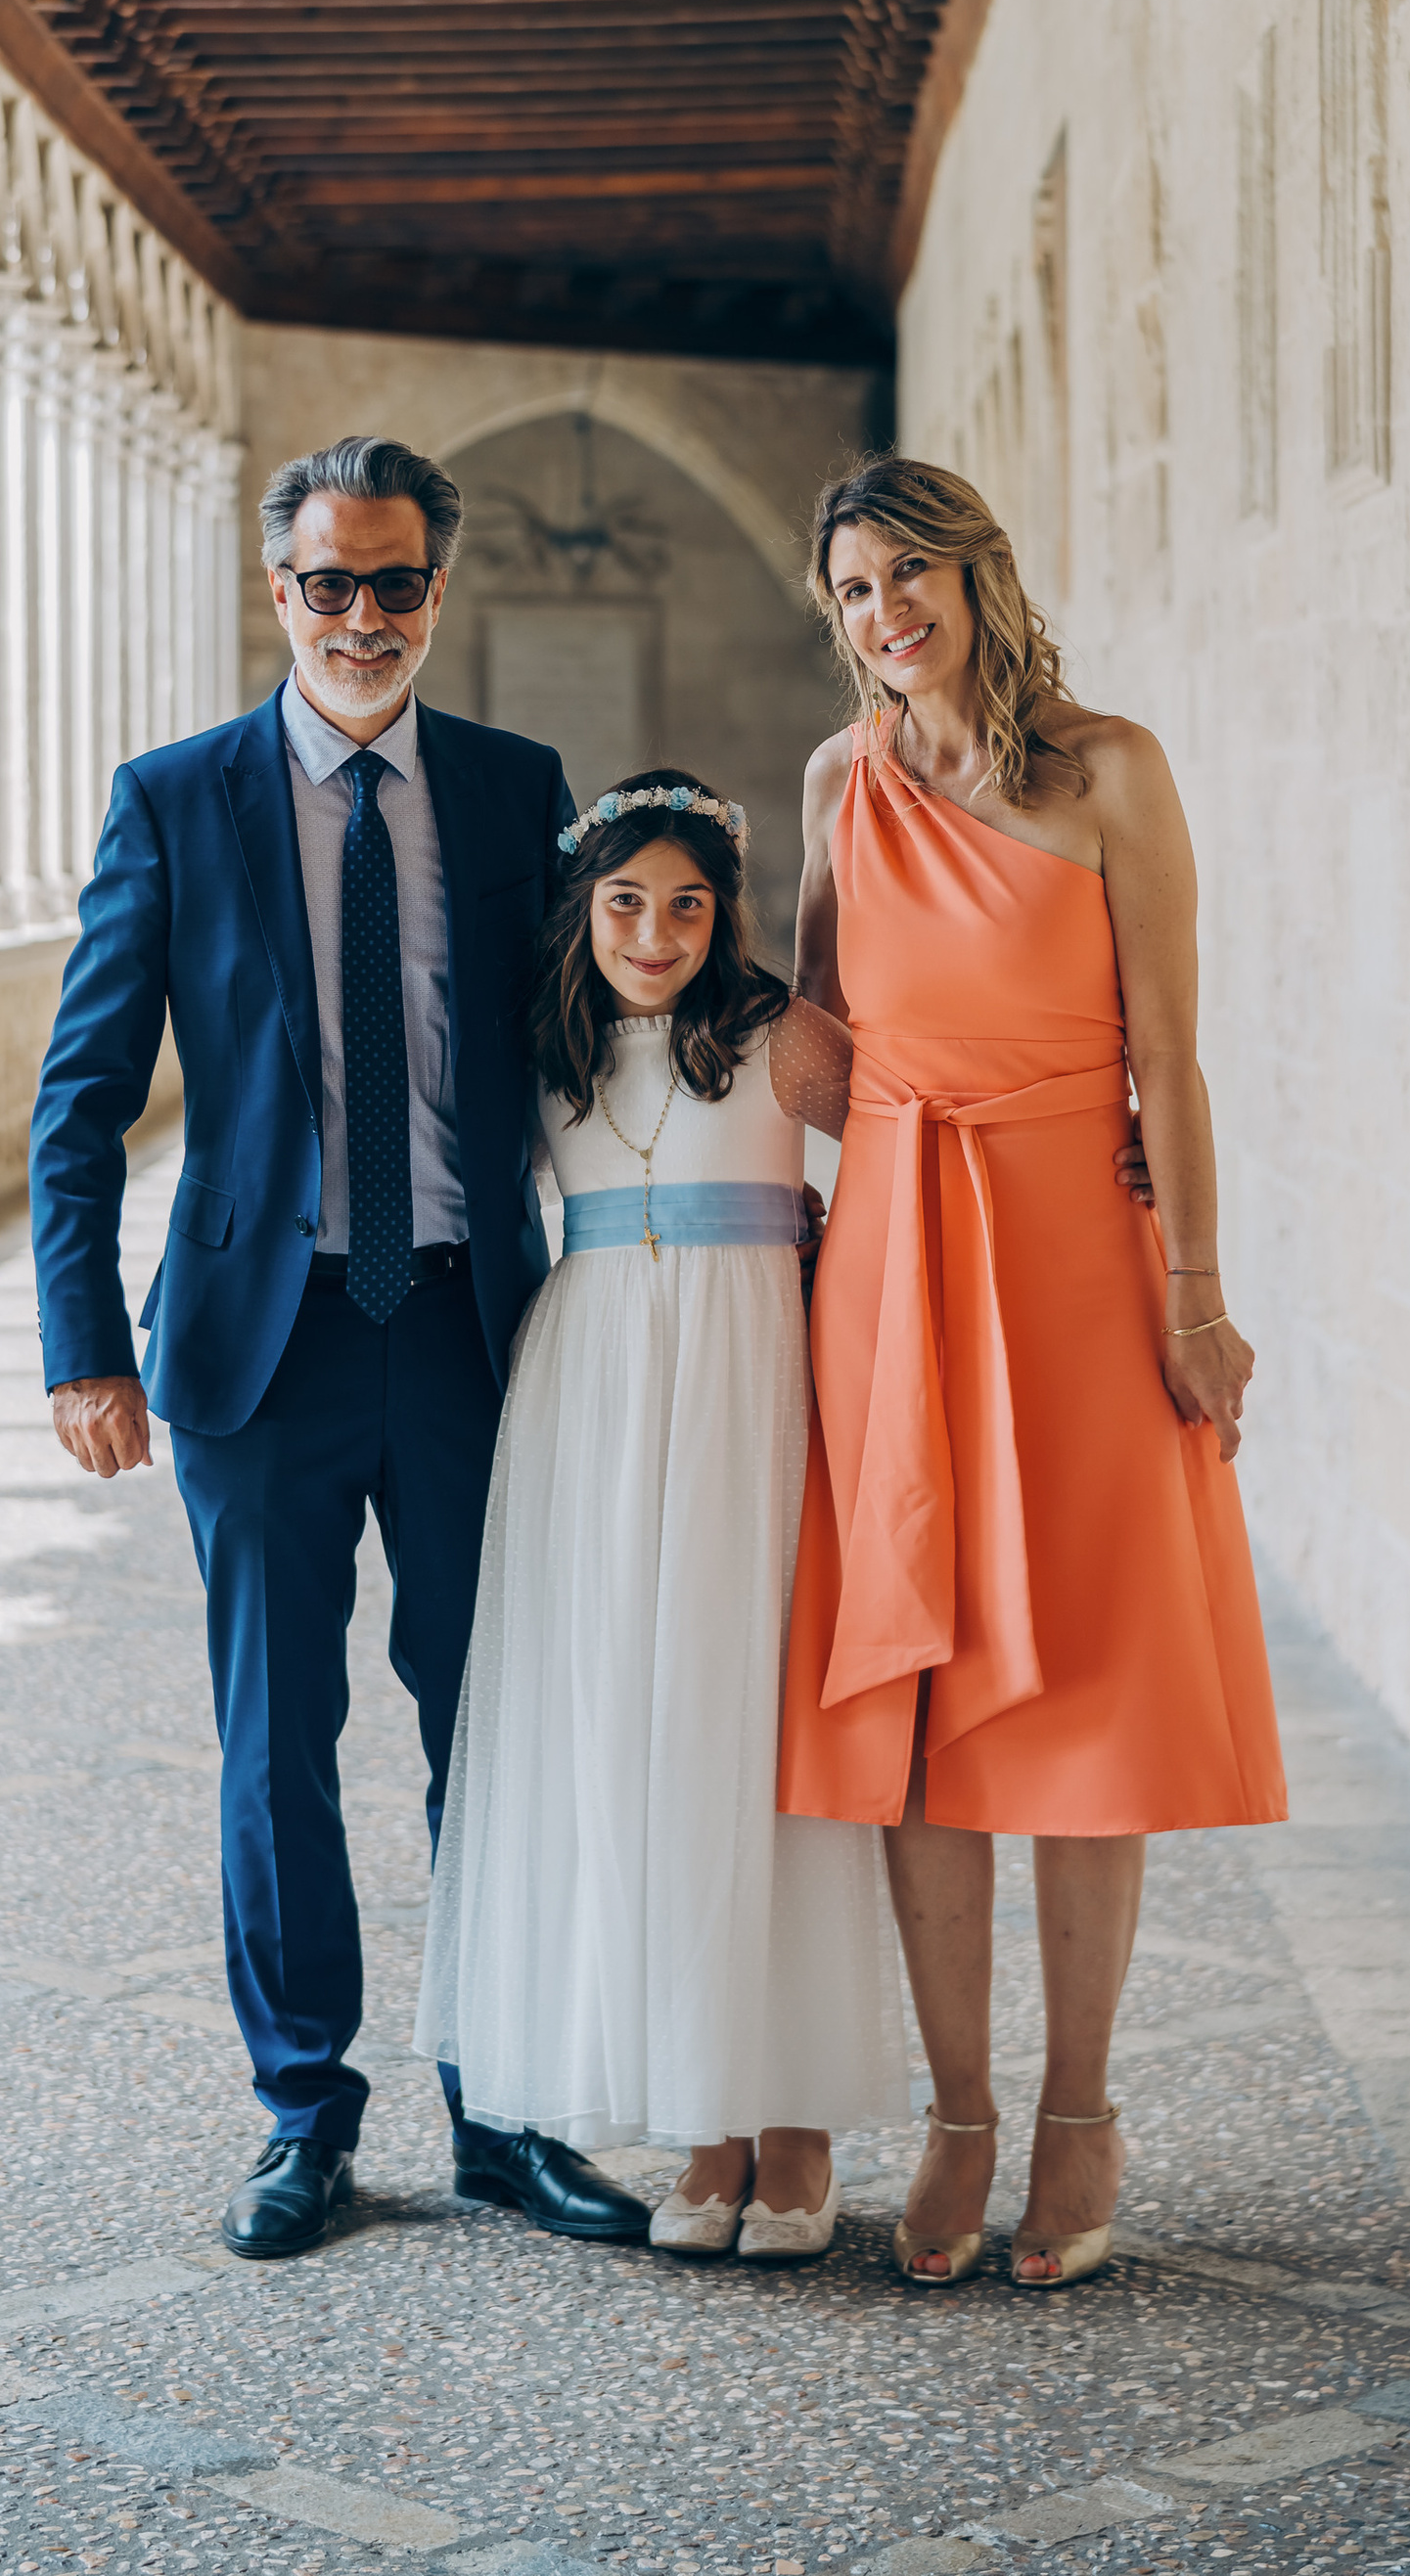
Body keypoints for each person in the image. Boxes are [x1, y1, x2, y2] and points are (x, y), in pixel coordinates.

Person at [30, 434, 650, 2263]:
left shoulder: (517, 787)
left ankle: (509, 2112)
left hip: (469, 1334)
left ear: (437, 593)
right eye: (329, 585)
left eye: (395, 584)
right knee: (274, 1746)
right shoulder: (173, 802)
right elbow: (80, 1106)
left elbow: (604, 1044)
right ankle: (305, 2116)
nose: (362, 616)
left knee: (499, 1741)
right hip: (258, 1352)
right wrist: (85, 1346)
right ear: (278, 590)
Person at [778, 454, 1288, 2293]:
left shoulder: (1112, 771)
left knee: (1079, 1698)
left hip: (1079, 1254)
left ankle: (1080, 2115)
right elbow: (826, 1042)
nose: (883, 614)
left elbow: (1176, 1058)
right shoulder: (840, 783)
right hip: (893, 1259)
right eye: (850, 591)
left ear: (977, 576)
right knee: (921, 1712)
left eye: (907, 575)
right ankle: (960, 2115)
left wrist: (1196, 1292)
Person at [417, 778, 907, 2262]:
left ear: (725, 914)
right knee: (633, 1739)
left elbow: (916, 1143)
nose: (656, 931)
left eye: (688, 904)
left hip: (750, 1385)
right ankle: (707, 2125)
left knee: (745, 1727)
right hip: (593, 1400)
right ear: (585, 909)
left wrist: (1116, 1140)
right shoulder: (546, 1053)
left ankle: (798, 2124)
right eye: (627, 902)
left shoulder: (777, 1042)